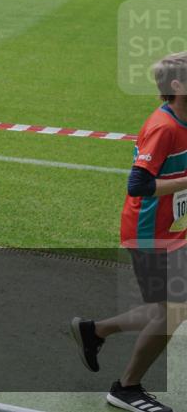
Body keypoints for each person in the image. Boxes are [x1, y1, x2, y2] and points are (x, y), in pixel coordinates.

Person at [71, 51, 187, 412]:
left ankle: (96, 331)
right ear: (178, 86)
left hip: (174, 229)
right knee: (170, 312)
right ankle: (126, 388)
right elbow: (138, 184)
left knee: (168, 309)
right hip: (149, 232)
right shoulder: (163, 127)